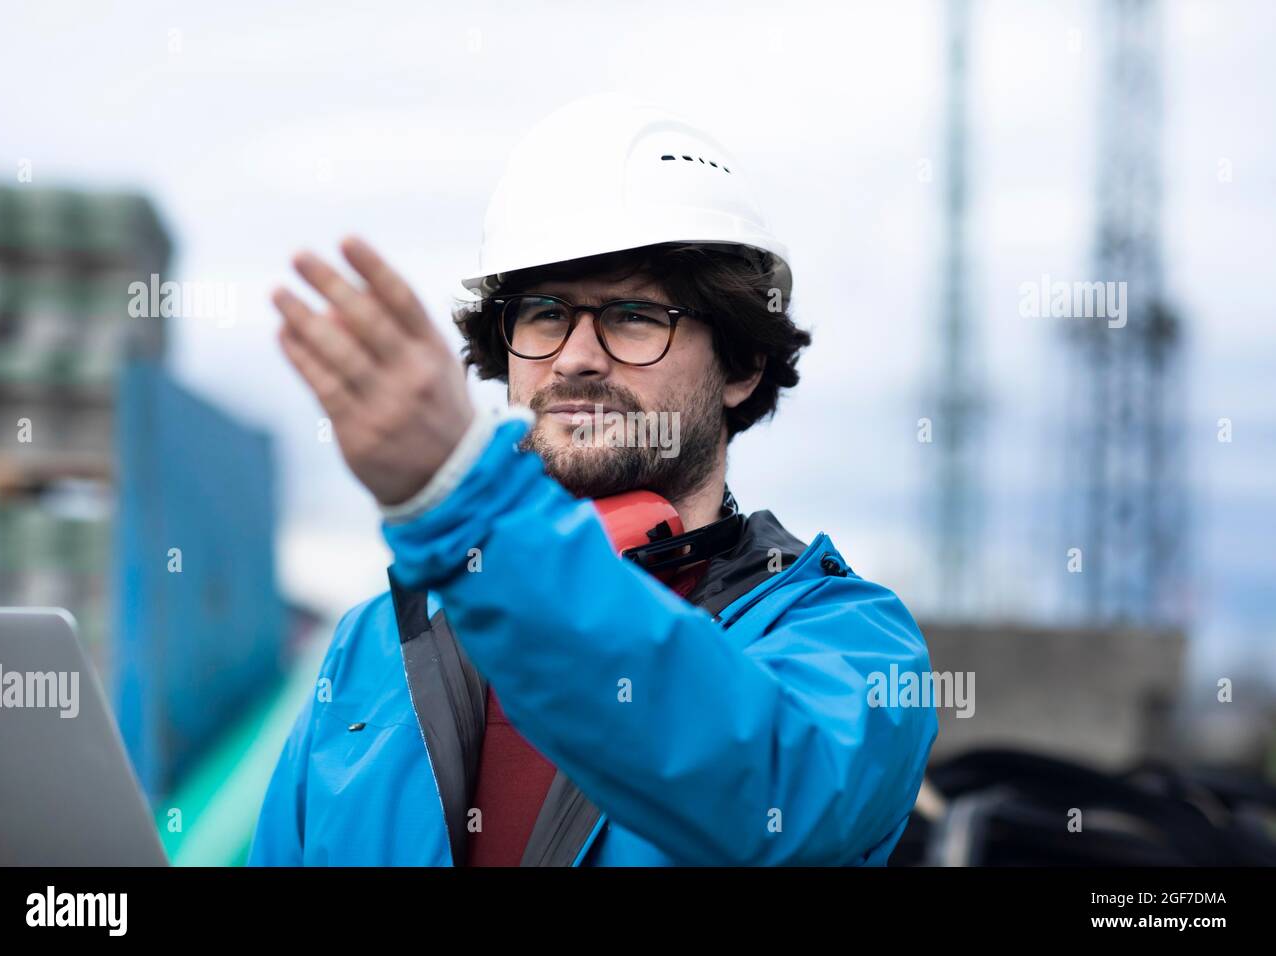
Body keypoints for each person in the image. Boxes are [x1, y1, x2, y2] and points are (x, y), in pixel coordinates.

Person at [248, 93, 937, 866]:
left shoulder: (850, 644)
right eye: (545, 314)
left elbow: (762, 798)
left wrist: (465, 505)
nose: (575, 356)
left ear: (742, 365)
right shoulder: (373, 641)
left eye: (635, 316)